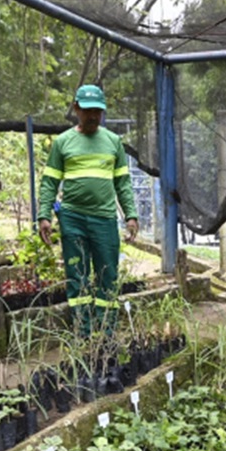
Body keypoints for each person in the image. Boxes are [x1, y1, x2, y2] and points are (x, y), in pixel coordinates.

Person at [38, 84, 138, 336]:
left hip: (104, 219)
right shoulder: (63, 142)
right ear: (76, 109)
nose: (93, 116)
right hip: (72, 219)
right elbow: (50, 182)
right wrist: (44, 215)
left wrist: (131, 215)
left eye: (98, 111)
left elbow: (123, 183)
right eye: (88, 110)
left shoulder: (113, 142)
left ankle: (106, 334)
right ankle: (82, 334)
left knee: (108, 275)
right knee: (77, 275)